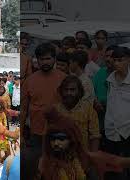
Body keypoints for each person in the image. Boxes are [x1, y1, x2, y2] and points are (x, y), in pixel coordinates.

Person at [39, 107, 130, 180]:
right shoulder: (45, 164)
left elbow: (118, 161)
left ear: (72, 140)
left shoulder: (83, 157)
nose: (56, 143)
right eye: (52, 139)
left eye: (61, 139)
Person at [23, 43, 66, 149]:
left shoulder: (64, 79)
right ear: (37, 60)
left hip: (59, 130)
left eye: (48, 58)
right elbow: (23, 109)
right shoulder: (29, 81)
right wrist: (21, 133)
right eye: (42, 59)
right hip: (36, 131)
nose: (45, 62)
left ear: (54, 59)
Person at [104, 47, 130, 180]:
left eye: (120, 60)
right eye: (115, 60)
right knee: (111, 169)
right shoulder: (110, 80)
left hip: (127, 132)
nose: (116, 63)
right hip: (111, 131)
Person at [55, 75, 100, 151]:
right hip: (60, 158)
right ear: (61, 91)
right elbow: (48, 136)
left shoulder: (88, 110)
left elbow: (95, 137)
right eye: (66, 90)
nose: (69, 93)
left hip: (82, 157)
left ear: (79, 91)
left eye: (72, 90)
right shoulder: (55, 110)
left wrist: (93, 158)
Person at [92, 45, 117, 142]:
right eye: (106, 56)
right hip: (100, 118)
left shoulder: (123, 75)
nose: (108, 59)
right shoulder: (100, 72)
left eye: (111, 56)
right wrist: (95, 101)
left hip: (117, 122)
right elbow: (91, 90)